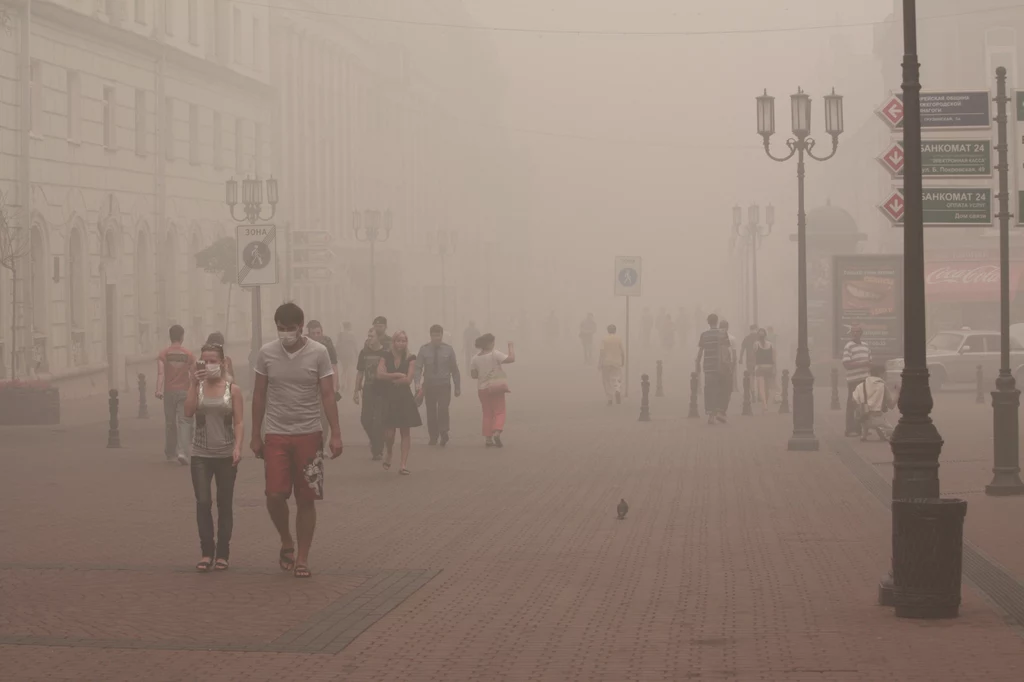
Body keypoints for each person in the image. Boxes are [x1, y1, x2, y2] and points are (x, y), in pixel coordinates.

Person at [251, 303, 343, 579]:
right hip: (277, 433)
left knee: (306, 498)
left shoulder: (319, 352)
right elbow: (259, 394)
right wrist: (255, 433)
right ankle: (286, 540)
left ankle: (302, 557)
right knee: (274, 494)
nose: (286, 334)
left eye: (290, 329)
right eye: (281, 328)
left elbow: (327, 394)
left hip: (309, 433)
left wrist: (335, 433)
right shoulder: (267, 353)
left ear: (301, 328)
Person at [184, 342, 244, 572]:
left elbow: (239, 421)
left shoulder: (232, 389)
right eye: (204, 361)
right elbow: (188, 412)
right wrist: (193, 382)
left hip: (226, 454)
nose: (208, 365)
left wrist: (238, 447)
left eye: (212, 361)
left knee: (224, 503)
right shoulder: (197, 387)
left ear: (222, 362)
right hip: (201, 454)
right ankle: (206, 551)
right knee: (203, 502)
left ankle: (223, 553)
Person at [376, 331, 421, 474]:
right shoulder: (385, 356)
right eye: (398, 341)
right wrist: (396, 375)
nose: (401, 343)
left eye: (404, 341)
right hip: (389, 397)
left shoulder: (411, 357)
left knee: (405, 431)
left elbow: (408, 379)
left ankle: (403, 464)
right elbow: (379, 375)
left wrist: (389, 378)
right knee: (389, 434)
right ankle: (389, 451)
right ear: (393, 342)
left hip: (404, 398)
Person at [415, 324, 461, 447]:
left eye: (438, 335)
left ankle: (444, 431)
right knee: (431, 412)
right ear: (430, 336)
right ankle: (433, 436)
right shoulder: (424, 349)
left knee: (443, 409)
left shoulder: (448, 350)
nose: (436, 338)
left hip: (444, 385)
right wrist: (417, 383)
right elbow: (418, 367)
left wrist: (457, 386)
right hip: (429, 386)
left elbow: (454, 369)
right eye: (434, 335)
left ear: (442, 335)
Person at [157, 324, 195, 465]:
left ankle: (170, 452)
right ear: (182, 337)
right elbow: (193, 374)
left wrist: (158, 390)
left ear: (170, 336)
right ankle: (183, 451)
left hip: (168, 392)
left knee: (170, 422)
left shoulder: (164, 354)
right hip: (184, 392)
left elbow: (161, 373)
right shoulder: (188, 355)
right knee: (184, 422)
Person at [470, 333, 515, 447]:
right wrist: (510, 347)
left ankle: (488, 439)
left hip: (482, 389)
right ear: (489, 343)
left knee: (487, 413)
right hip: (496, 387)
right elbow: (511, 359)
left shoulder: (474, 358)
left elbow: (474, 375)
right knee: (499, 411)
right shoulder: (495, 354)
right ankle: (497, 431)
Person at [353, 327, 386, 460]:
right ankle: (375, 441)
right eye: (368, 336)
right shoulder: (364, 352)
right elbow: (360, 372)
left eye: (372, 336)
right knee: (365, 419)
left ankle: (378, 449)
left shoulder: (385, 353)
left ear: (378, 337)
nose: (369, 338)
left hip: (382, 390)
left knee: (378, 421)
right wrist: (356, 390)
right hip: (368, 389)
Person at [695, 313, 730, 425]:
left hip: (708, 367)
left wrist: (697, 364)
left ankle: (711, 416)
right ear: (717, 321)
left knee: (710, 391)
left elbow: (700, 352)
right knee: (722, 390)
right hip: (721, 366)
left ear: (708, 322)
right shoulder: (723, 334)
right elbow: (726, 351)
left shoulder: (704, 335)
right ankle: (720, 412)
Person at [852, 364, 897, 442]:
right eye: (885, 373)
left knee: (867, 420)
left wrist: (862, 407)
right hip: (876, 417)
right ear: (880, 374)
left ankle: (864, 433)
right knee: (895, 433)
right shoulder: (882, 386)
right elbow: (891, 406)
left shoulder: (860, 385)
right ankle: (882, 430)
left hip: (862, 418)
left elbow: (853, 399)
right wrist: (898, 393)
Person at [842, 324, 872, 437]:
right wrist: (863, 363)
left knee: (864, 404)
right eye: (853, 332)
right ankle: (850, 429)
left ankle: (863, 429)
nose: (855, 334)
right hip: (853, 380)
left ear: (861, 333)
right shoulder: (848, 346)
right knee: (852, 404)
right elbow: (846, 364)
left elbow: (870, 361)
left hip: (865, 379)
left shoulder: (866, 346)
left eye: (857, 331)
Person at [598, 324, 625, 406]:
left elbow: (602, 352)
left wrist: (599, 363)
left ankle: (609, 398)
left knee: (606, 380)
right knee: (616, 378)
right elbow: (622, 352)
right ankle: (617, 390)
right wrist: (623, 361)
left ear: (607, 330)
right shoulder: (618, 339)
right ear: (615, 330)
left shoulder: (604, 339)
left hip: (606, 362)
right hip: (616, 362)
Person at [752, 328, 776, 414]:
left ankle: (765, 404)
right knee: (769, 387)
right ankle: (767, 402)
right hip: (769, 367)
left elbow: (754, 357)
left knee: (761, 388)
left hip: (760, 367)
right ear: (766, 335)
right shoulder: (771, 344)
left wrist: (754, 367)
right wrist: (774, 368)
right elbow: (774, 358)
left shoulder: (756, 344)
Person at [336, 322, 360, 395]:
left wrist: (338, 354)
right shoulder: (352, 334)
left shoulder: (340, 334)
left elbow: (337, 345)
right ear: (349, 326)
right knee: (349, 370)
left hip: (342, 355)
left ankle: (343, 383)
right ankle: (348, 387)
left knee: (344, 369)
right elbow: (355, 345)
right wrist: (356, 354)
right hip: (350, 354)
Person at [719, 319, 738, 413]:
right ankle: (723, 408)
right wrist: (733, 367)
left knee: (722, 388)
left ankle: (721, 408)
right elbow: (734, 355)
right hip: (727, 366)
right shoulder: (732, 338)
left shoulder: (731, 338)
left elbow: (734, 355)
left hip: (721, 366)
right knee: (728, 388)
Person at [738, 324, 759, 402]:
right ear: (756, 329)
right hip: (759, 361)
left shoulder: (747, 338)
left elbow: (742, 349)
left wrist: (740, 358)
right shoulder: (759, 337)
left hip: (749, 360)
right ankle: (759, 394)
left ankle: (753, 394)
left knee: (751, 377)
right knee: (759, 377)